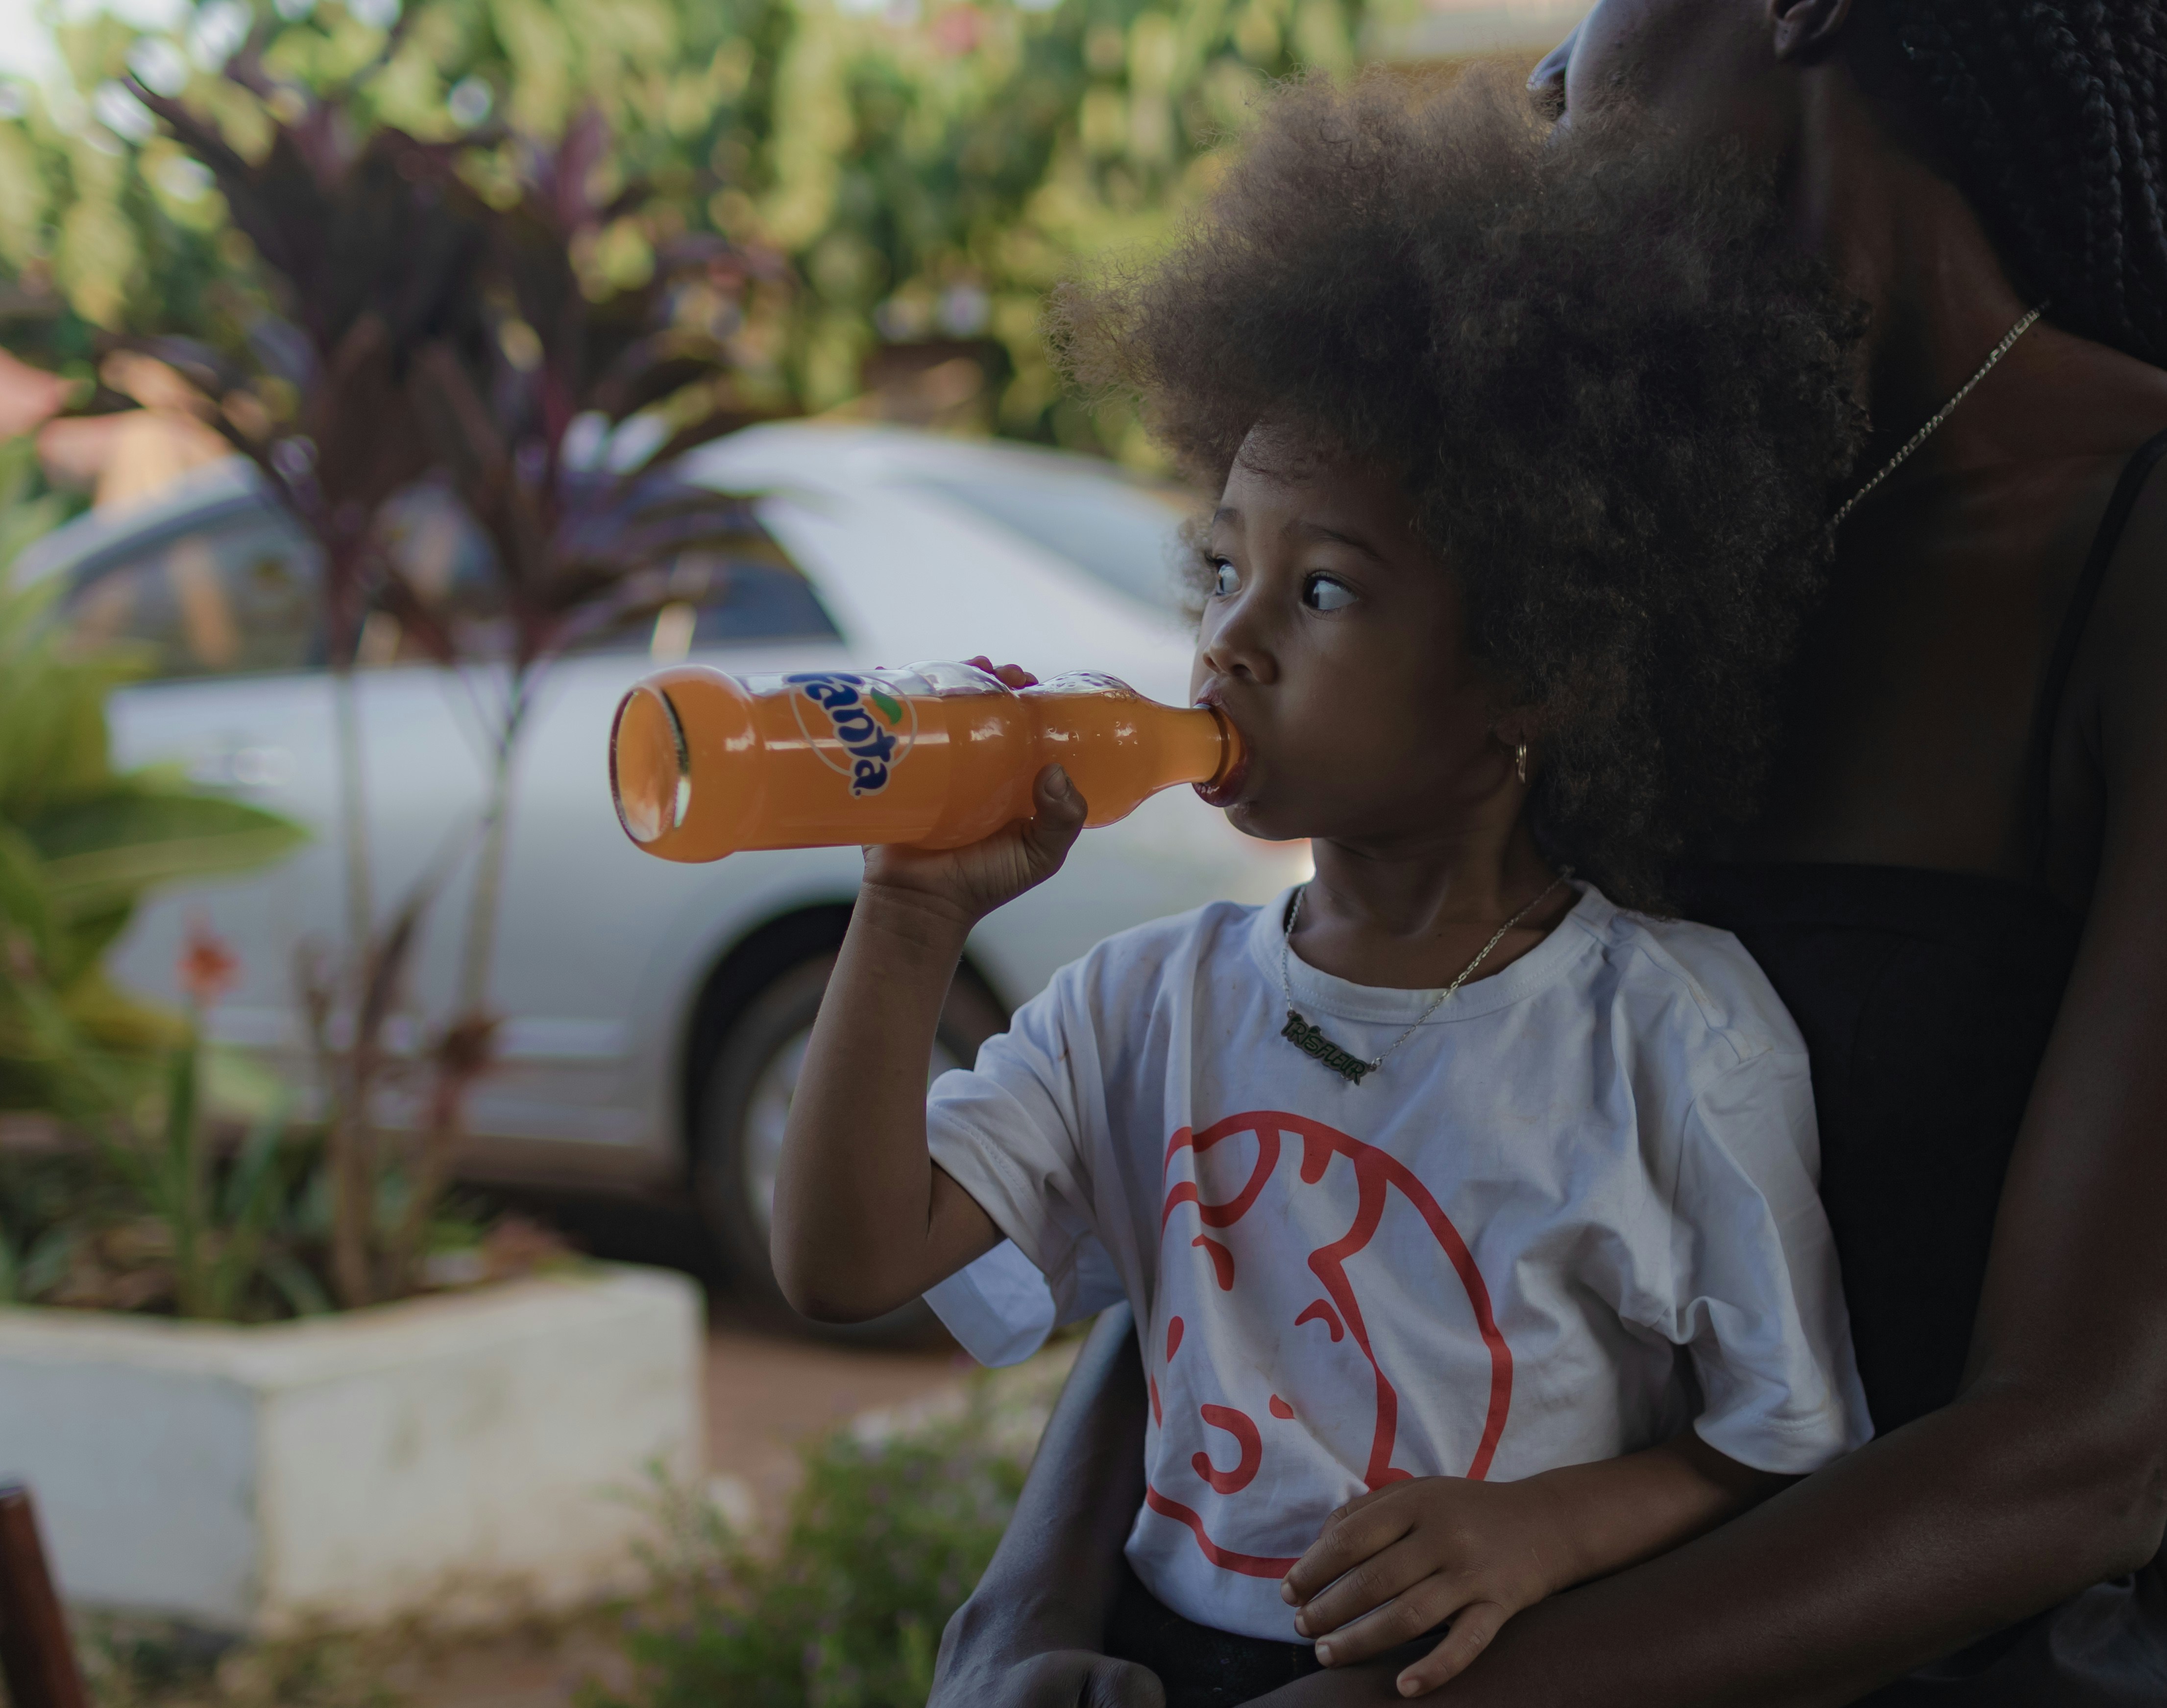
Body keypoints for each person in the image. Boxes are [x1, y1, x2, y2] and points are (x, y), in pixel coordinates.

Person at [928, 3, 2167, 1705]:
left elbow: (2086, 1452)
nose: (1537, 80)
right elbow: (1318, 1142)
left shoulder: (2132, 558)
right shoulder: (1605, 540)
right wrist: (1023, 1616)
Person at [773, 73, 1879, 1707]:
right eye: (1223, 566)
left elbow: (1788, 1449)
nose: (1231, 639)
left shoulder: (1672, 1035)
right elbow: (844, 1260)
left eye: (1327, 587)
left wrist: (1546, 1531)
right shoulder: (1145, 1004)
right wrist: (911, 917)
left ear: (1535, 667)